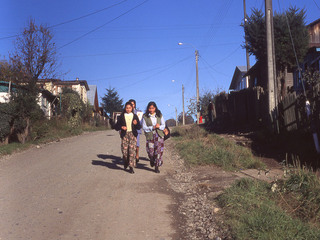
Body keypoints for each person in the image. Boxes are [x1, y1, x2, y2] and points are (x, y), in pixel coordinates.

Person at [112, 102, 141, 174]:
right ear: (125, 108)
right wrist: (121, 127)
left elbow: (139, 127)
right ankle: (125, 161)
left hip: (132, 134)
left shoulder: (134, 116)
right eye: (127, 108)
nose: (128, 109)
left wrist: (136, 123)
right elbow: (116, 126)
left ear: (132, 108)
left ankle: (131, 167)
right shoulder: (122, 116)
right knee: (124, 151)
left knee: (132, 151)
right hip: (125, 135)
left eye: (130, 108)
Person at [141, 101, 166, 173]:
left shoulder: (159, 115)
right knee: (150, 151)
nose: (151, 110)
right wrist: (152, 127)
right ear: (148, 109)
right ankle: (151, 159)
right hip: (150, 135)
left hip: (159, 135)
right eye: (150, 108)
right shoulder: (145, 116)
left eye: (153, 108)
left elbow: (163, 125)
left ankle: (156, 166)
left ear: (155, 108)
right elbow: (144, 127)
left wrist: (159, 126)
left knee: (158, 151)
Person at [129, 99, 143, 164]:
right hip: (128, 131)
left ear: (135, 105)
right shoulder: (126, 113)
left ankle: (137, 154)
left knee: (137, 144)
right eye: (130, 104)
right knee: (129, 145)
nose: (132, 105)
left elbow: (141, 122)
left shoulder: (138, 113)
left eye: (133, 104)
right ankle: (130, 158)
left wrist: (137, 123)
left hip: (136, 131)